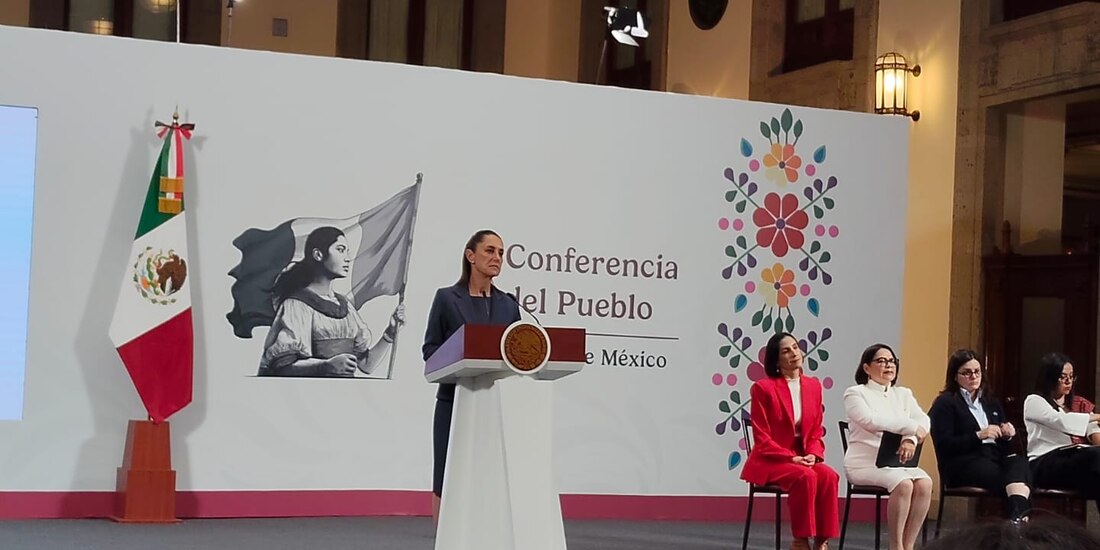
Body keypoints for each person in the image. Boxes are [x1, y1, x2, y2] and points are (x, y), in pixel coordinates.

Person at [422, 229, 521, 525]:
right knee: (447, 472)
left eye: (501, 253)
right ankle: (444, 538)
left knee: (488, 474)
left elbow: (516, 352)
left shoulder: (509, 304)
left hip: (494, 404)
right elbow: (430, 348)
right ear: (470, 256)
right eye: (490, 250)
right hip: (455, 400)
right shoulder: (446, 298)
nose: (497, 258)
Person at [258, 226, 405, 377]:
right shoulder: (297, 304)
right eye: (340, 250)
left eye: (347, 251)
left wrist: (390, 333)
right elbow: (283, 368)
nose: (347, 258)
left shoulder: (345, 306)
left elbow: (366, 365)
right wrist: (325, 366)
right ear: (318, 254)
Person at [741, 332, 839, 550]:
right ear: (777, 360)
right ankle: (800, 540)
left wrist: (813, 453)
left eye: (795, 347)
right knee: (805, 476)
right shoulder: (763, 388)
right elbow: (762, 438)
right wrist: (792, 458)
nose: (794, 353)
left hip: (803, 455)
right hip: (771, 459)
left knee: (829, 476)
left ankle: (822, 540)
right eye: (786, 350)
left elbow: (815, 430)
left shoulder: (813, 386)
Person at [842, 343, 931, 550]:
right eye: (881, 361)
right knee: (904, 484)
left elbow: (923, 420)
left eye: (891, 361)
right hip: (864, 464)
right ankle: (896, 546)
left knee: (925, 483)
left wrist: (911, 439)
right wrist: (910, 428)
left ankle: (908, 545)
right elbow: (871, 421)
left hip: (896, 463)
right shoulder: (855, 393)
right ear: (866, 368)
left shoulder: (903, 394)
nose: (888, 365)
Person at [928, 349, 1031, 521]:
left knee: (1021, 464)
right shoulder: (945, 403)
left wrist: (1007, 435)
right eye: (966, 373)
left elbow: (1004, 447)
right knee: (1014, 479)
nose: (973, 377)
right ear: (955, 376)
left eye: (977, 372)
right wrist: (978, 435)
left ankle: (1016, 517)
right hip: (962, 463)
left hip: (993, 458)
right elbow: (944, 444)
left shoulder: (991, 402)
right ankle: (1019, 519)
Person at [1023, 352, 1100, 508]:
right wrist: (1096, 417)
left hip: (1070, 460)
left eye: (1071, 376)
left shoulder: (1077, 404)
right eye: (1062, 377)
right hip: (1044, 462)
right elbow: (1060, 421)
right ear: (1049, 377)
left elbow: (1092, 429)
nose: (1068, 381)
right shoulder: (1034, 401)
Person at [922, 514, 1100, 550]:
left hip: (996, 460)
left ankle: (1017, 516)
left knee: (1016, 465)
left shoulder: (995, 413)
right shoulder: (946, 413)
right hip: (967, 461)